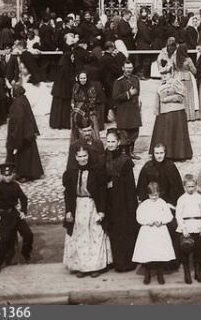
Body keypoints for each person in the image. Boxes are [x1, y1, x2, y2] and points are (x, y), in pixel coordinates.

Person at [62, 147, 112, 278]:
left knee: (95, 234)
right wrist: (68, 211)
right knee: (80, 236)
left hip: (92, 205)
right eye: (80, 156)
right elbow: (68, 193)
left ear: (88, 156)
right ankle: (81, 266)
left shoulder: (96, 171)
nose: (82, 159)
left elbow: (102, 192)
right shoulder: (71, 173)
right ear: (75, 157)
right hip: (78, 206)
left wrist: (101, 211)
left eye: (85, 156)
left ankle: (95, 266)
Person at [0, 162, 34, 274]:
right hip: (3, 217)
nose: (7, 177)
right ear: (1, 175)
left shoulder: (15, 186)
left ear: (13, 174)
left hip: (14, 214)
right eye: (5, 175)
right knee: (5, 239)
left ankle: (25, 253)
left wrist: (23, 211)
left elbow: (23, 198)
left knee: (28, 234)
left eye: (9, 175)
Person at [103, 130, 138, 272]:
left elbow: (130, 186)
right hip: (108, 199)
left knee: (124, 229)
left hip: (123, 200)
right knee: (111, 229)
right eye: (108, 141)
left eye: (113, 141)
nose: (110, 144)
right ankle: (114, 261)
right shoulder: (103, 158)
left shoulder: (125, 161)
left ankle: (126, 262)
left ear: (118, 143)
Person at [133, 181, 176, 285]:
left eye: (156, 195)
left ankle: (159, 273)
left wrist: (161, 221)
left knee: (159, 252)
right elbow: (139, 217)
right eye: (151, 195)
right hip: (148, 232)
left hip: (160, 231)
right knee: (148, 253)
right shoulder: (144, 204)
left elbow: (169, 216)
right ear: (148, 194)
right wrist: (148, 221)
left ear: (159, 193)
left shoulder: (162, 203)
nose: (154, 197)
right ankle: (147, 273)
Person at [5, 85, 43, 182]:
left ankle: (25, 174)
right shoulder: (23, 100)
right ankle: (28, 173)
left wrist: (15, 136)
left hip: (23, 134)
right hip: (28, 132)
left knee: (24, 155)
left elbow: (18, 121)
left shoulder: (17, 104)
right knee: (29, 155)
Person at [149, 77, 192, 161]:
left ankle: (178, 154)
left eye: (167, 72)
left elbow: (181, 96)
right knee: (162, 133)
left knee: (175, 132)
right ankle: (165, 154)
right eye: (162, 73)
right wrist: (157, 110)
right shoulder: (161, 83)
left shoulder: (176, 82)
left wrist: (167, 99)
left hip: (176, 111)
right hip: (163, 111)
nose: (164, 75)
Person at [177, 174, 201, 284]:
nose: (190, 189)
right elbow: (178, 215)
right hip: (186, 226)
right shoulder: (181, 199)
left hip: (198, 225)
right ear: (184, 186)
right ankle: (187, 273)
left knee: (199, 250)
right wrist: (183, 228)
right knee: (185, 250)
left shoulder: (199, 198)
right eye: (188, 187)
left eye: (192, 186)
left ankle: (197, 272)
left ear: (195, 186)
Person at [112, 61, 142, 160]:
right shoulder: (118, 81)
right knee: (124, 133)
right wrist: (129, 93)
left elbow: (137, 93)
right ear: (123, 68)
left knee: (134, 131)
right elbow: (115, 97)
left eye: (130, 68)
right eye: (127, 68)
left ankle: (131, 152)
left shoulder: (136, 79)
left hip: (133, 110)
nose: (129, 70)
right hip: (123, 110)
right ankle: (124, 154)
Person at [171, 43, 199, 121]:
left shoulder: (174, 58)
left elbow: (172, 69)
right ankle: (190, 115)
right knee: (189, 97)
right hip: (188, 77)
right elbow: (194, 70)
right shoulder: (188, 60)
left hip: (178, 77)